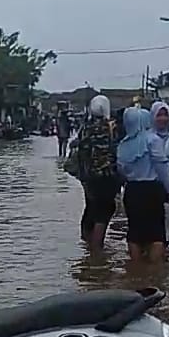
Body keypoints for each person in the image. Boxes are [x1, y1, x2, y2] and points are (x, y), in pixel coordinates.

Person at [117, 107, 169, 263]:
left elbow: (121, 170)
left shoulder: (123, 144)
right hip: (152, 190)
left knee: (134, 232)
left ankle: (136, 270)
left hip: (132, 191)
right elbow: (162, 167)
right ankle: (153, 274)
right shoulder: (153, 139)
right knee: (156, 234)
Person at [76, 95, 119, 251]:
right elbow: (115, 151)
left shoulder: (84, 129)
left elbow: (80, 152)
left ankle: (87, 246)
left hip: (88, 177)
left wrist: (83, 175)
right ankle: (96, 250)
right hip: (107, 176)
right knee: (105, 210)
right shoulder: (111, 128)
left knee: (91, 207)